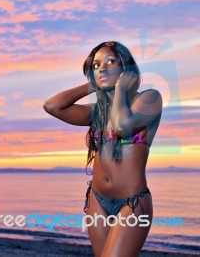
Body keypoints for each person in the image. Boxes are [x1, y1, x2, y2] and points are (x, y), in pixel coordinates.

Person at [43, 41, 163, 257]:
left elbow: (121, 127)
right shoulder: (96, 112)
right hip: (97, 200)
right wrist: (94, 84)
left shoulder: (149, 99)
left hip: (132, 203)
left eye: (110, 61)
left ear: (125, 67)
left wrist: (119, 89)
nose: (102, 68)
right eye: (96, 65)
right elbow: (52, 106)